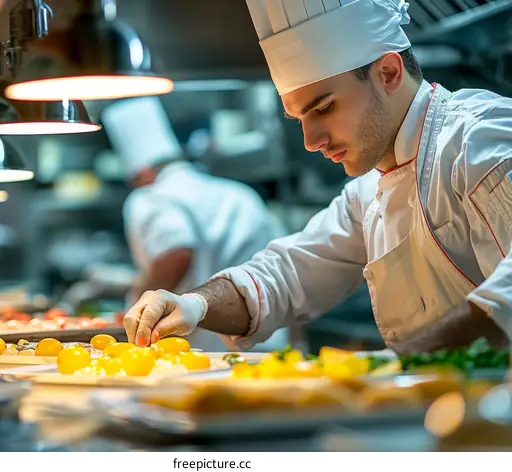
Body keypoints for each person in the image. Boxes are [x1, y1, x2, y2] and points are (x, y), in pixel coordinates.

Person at [122, 0, 512, 356]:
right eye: (300, 119)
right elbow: (287, 274)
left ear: (388, 72)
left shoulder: (479, 140)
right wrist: (194, 305)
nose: (311, 141)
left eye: (324, 107)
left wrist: (396, 364)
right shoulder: (367, 194)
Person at [64, 96, 289, 352]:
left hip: (208, 351)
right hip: (269, 342)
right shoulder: (238, 194)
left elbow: (178, 252)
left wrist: (137, 308)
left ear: (140, 171)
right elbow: (281, 268)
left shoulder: (152, 197)